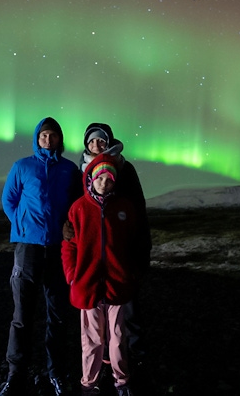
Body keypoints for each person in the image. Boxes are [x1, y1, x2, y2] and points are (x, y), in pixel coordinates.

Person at [0, 117, 82, 396]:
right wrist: (22, 226)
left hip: (59, 248)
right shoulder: (22, 166)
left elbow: (78, 204)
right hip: (28, 248)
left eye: (53, 135)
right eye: (44, 135)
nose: (48, 140)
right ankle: (16, 374)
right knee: (22, 315)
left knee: (57, 315)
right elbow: (9, 200)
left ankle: (55, 372)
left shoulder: (69, 170)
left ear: (60, 139)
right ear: (37, 138)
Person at [65, 123, 152, 365]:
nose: (96, 145)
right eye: (91, 141)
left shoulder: (124, 168)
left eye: (101, 140)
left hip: (121, 248)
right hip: (91, 250)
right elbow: (74, 207)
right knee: (94, 304)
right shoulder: (79, 170)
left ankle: (133, 352)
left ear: (109, 141)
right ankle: (101, 355)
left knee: (127, 304)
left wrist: (141, 252)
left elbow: (137, 209)